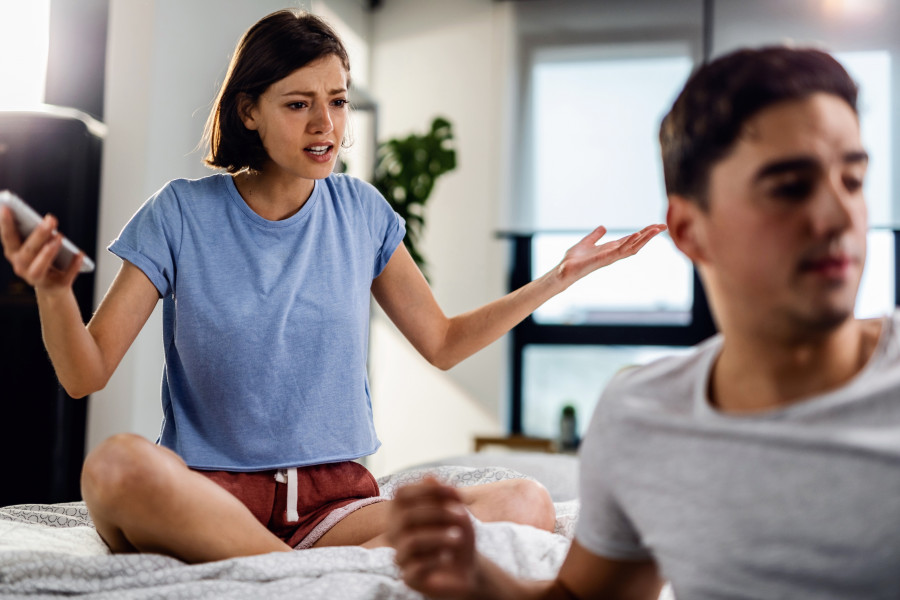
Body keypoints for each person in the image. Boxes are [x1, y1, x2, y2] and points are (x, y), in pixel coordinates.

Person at [0, 9, 664, 565]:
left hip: (336, 507)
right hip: (213, 496)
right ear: (249, 112)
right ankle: (298, 572)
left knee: (526, 501)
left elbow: (442, 342)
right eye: (299, 104)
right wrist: (53, 292)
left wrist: (557, 278)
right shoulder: (179, 213)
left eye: (338, 101)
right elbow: (85, 375)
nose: (327, 124)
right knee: (115, 467)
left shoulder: (362, 211)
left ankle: (278, 567)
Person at [388, 45, 900, 599]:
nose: (840, 215)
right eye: (790, 188)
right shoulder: (643, 416)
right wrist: (479, 579)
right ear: (689, 230)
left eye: (853, 180)